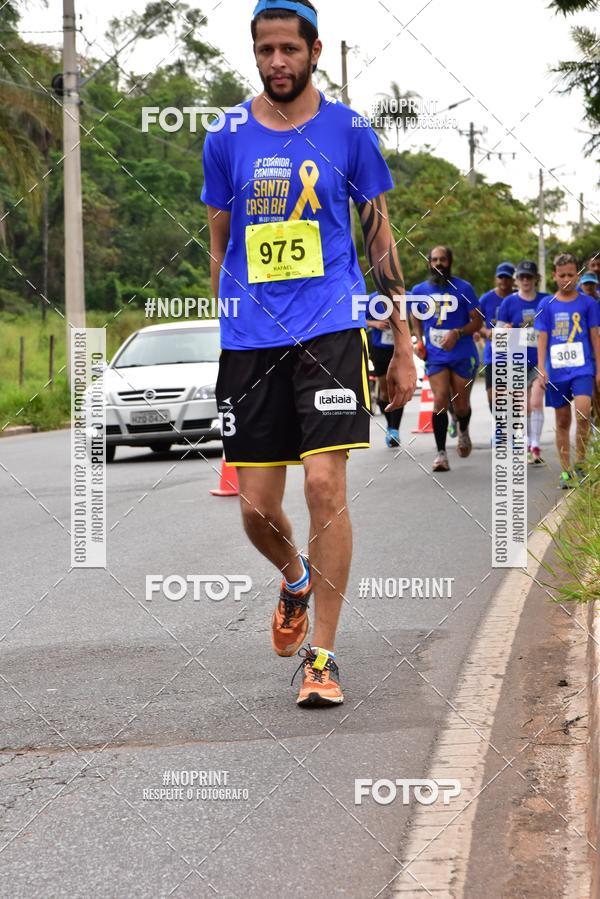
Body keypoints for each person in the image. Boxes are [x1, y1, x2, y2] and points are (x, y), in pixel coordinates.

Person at [202, 0, 416, 707]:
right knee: (257, 509)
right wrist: (223, 331)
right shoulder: (225, 135)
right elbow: (219, 243)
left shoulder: (350, 131)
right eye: (265, 51)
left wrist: (402, 345)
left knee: (326, 485)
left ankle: (323, 655)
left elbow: (380, 241)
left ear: (315, 50)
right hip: (249, 340)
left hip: (329, 327)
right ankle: (294, 577)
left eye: (289, 50)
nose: (276, 63)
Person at [411, 246, 483, 472]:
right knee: (440, 399)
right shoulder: (419, 290)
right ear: (429, 263)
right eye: (434, 260)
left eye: (443, 259)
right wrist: (418, 340)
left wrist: (458, 332)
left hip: (462, 353)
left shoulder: (464, 288)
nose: (438, 263)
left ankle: (463, 429)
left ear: (450, 262)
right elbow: (415, 316)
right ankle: (441, 454)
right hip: (436, 355)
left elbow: (478, 321)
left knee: (461, 406)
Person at [536, 253, 600, 488]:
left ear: (578, 275)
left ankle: (581, 463)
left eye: (571, 275)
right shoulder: (546, 305)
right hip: (557, 371)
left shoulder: (588, 304)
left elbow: (595, 337)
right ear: (554, 276)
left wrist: (599, 369)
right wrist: (541, 368)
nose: (566, 279)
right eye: (561, 275)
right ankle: (566, 471)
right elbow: (542, 338)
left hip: (582, 368)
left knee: (583, 412)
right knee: (562, 420)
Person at [497, 260, 547, 464]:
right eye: (522, 277)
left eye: (529, 276)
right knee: (523, 406)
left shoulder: (545, 300)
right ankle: (526, 442)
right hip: (517, 358)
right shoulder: (509, 302)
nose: (525, 280)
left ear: (536, 278)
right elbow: (499, 332)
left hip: (539, 359)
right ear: (516, 279)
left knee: (536, 402)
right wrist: (504, 330)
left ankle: (535, 444)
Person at [367, 292, 404, 447]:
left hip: (399, 349)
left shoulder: (404, 296)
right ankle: (390, 426)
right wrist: (375, 323)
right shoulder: (371, 298)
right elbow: (355, 317)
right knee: (385, 391)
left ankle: (395, 430)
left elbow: (418, 315)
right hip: (380, 350)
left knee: (400, 389)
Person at [479, 261, 516, 416]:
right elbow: (475, 323)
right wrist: (487, 332)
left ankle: (512, 430)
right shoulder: (486, 299)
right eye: (500, 277)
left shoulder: (518, 298)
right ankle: (499, 425)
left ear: (513, 280)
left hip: (515, 353)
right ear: (496, 279)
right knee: (492, 395)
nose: (503, 281)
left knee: (513, 396)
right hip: (493, 354)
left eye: (507, 278)